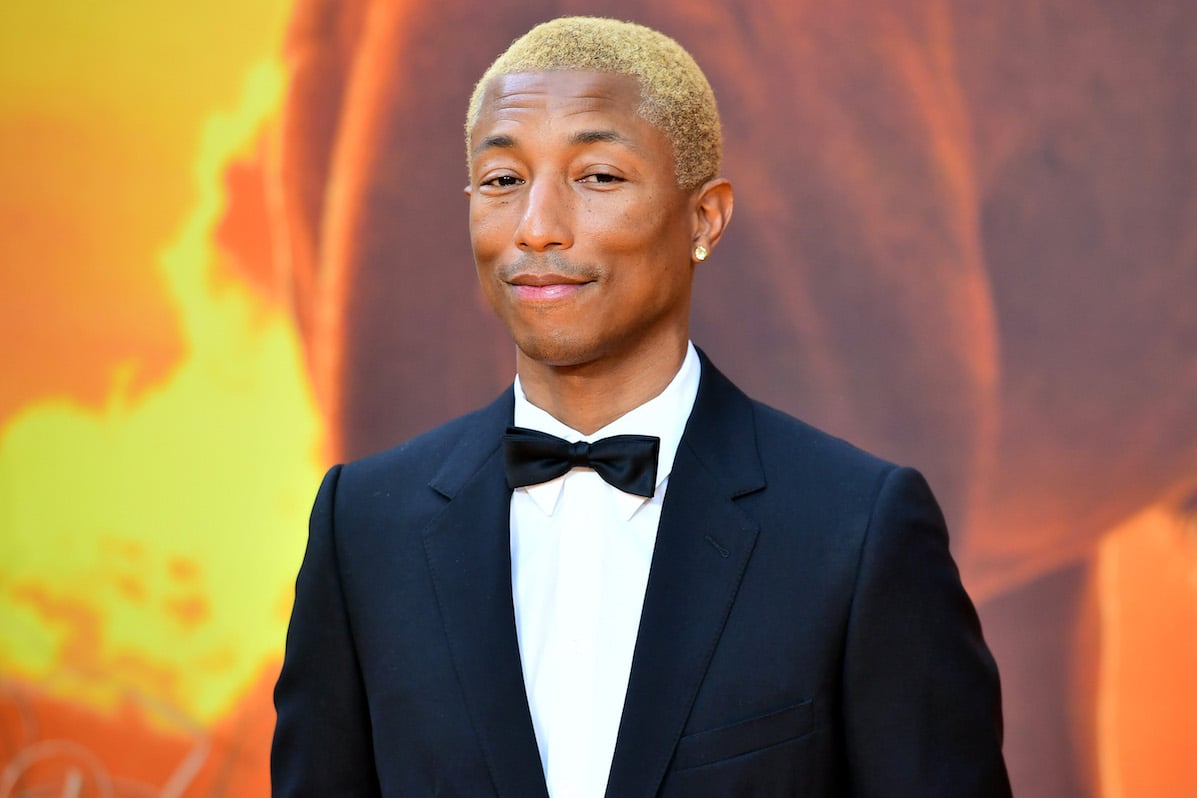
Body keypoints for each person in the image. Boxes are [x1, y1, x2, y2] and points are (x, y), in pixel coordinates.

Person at [271, 16, 1011, 797]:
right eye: (501, 181)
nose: (538, 228)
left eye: (597, 177)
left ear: (705, 218)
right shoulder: (363, 529)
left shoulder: (860, 530)